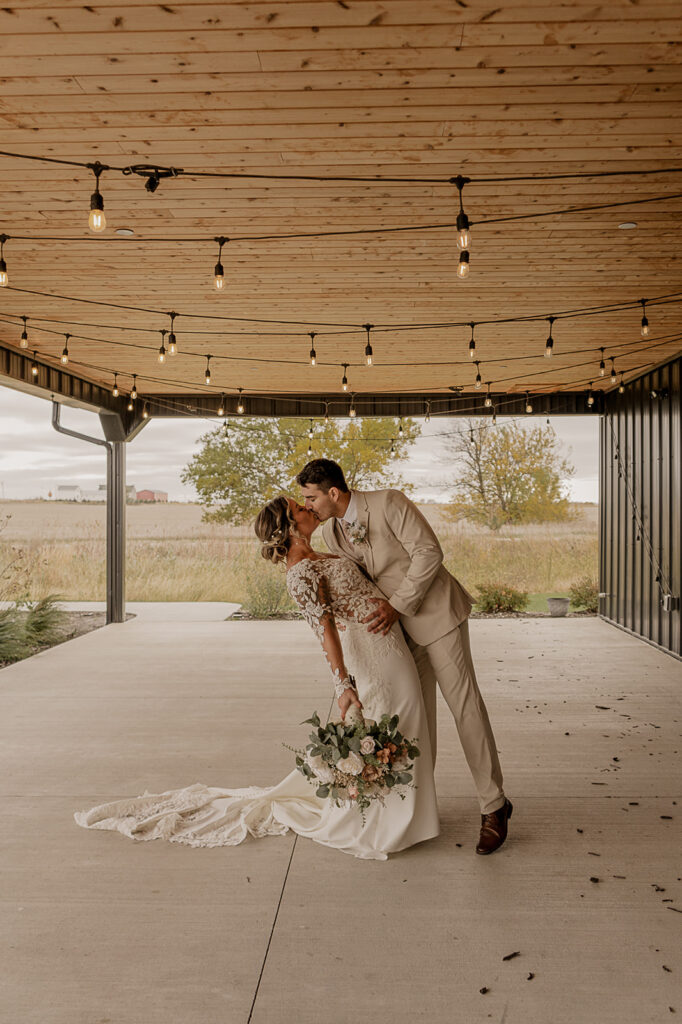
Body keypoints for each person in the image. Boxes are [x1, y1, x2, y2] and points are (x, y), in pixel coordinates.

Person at [73, 495, 440, 861]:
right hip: (373, 652)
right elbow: (324, 629)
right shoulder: (300, 571)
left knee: (405, 719)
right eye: (300, 508)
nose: (309, 509)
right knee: (397, 721)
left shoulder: (320, 553)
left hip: (386, 640)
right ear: (289, 526)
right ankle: (385, 821)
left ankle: (402, 815)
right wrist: (343, 684)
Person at [297, 458, 512, 855]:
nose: (306, 505)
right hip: (396, 635)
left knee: (465, 709)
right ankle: (417, 810)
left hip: (436, 615)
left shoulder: (390, 502)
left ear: (332, 492)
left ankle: (494, 805)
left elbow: (430, 552)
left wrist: (398, 604)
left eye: (310, 497)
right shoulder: (332, 535)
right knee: (417, 721)